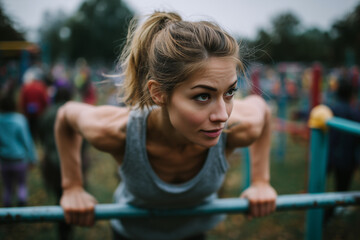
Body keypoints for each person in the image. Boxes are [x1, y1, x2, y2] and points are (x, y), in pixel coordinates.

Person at [55, 11, 277, 240]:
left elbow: (261, 108)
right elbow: (66, 116)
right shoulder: (117, 132)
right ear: (158, 93)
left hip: (193, 234)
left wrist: (261, 181)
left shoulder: (239, 126)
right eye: (202, 96)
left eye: (230, 92)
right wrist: (72, 186)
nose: (222, 115)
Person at [38, 85, 74, 240]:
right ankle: (66, 227)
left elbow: (41, 135)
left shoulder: (47, 113)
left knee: (59, 194)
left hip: (52, 162)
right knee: (70, 194)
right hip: (70, 163)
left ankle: (62, 224)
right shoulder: (73, 114)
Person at [0, 88, 37, 207]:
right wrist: (32, 158)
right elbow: (27, 141)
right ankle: (22, 205)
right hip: (19, 160)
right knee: (22, 184)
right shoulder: (20, 120)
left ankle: (7, 209)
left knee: (7, 187)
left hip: (4, 160)